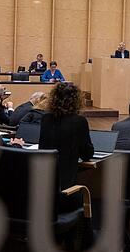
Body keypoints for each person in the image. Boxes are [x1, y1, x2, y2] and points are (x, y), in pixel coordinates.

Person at [38, 83, 94, 212]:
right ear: (76, 100)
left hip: (44, 188)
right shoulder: (79, 121)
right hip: (66, 191)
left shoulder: (46, 118)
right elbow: (87, 154)